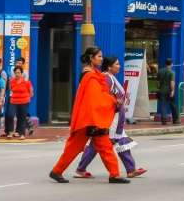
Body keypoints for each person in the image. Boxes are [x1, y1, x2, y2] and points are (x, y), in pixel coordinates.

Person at [49, 46, 129, 184]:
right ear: (91, 58)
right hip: (90, 119)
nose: (101, 58)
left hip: (90, 118)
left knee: (100, 147)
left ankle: (114, 174)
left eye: (101, 56)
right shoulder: (90, 75)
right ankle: (57, 171)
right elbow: (96, 99)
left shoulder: (93, 74)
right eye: (98, 56)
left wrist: (113, 100)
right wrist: (114, 101)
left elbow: (99, 96)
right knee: (91, 147)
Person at [75, 56, 147, 179]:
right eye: (117, 64)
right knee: (102, 142)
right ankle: (82, 168)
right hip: (111, 118)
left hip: (115, 117)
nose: (119, 66)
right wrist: (115, 102)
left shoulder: (110, 77)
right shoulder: (106, 78)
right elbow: (103, 96)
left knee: (117, 141)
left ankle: (130, 169)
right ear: (109, 67)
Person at [5, 66, 32, 140]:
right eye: (16, 73)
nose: (17, 74)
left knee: (22, 117)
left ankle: (22, 134)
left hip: (24, 101)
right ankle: (10, 132)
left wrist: (27, 98)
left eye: (18, 73)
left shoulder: (26, 82)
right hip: (13, 101)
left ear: (21, 73)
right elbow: (11, 90)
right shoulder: (11, 81)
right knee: (10, 115)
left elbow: (31, 92)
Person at [157, 58, 179, 125]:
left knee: (163, 105)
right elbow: (172, 82)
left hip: (162, 90)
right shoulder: (172, 72)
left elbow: (157, 82)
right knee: (173, 105)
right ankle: (175, 120)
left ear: (165, 63)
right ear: (171, 64)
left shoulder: (160, 71)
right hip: (169, 91)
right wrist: (172, 91)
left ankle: (164, 120)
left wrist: (159, 88)